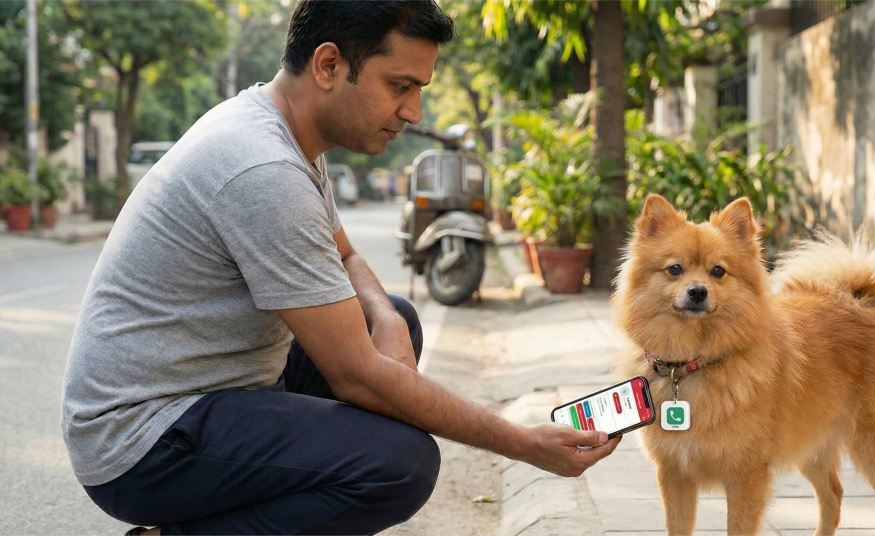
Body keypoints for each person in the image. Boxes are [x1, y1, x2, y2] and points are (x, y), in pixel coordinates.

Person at [61, 1, 621, 534]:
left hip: (220, 387)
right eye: (399, 86)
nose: (413, 111)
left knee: (400, 316)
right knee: (397, 465)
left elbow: (346, 253)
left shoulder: (288, 133)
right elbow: (356, 373)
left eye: (418, 90)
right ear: (329, 65)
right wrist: (524, 443)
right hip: (142, 439)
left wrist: (385, 317)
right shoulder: (264, 170)